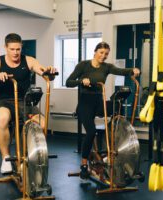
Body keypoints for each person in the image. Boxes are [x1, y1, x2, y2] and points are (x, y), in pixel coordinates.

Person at [65, 42, 140, 180]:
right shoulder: (83, 65)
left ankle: (112, 134)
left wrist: (132, 70)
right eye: (101, 53)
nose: (103, 56)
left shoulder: (107, 67)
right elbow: (68, 82)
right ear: (95, 51)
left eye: (106, 54)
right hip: (85, 103)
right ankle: (83, 164)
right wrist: (81, 81)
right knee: (91, 132)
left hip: (99, 102)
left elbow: (120, 71)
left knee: (117, 105)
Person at [0, 33, 56, 174]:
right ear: (5, 47)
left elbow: (46, 74)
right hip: (5, 101)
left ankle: (27, 155)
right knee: (3, 119)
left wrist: (50, 72)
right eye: (12, 49)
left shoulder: (29, 60)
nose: (16, 52)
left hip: (25, 102)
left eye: (18, 49)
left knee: (42, 124)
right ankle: (6, 158)